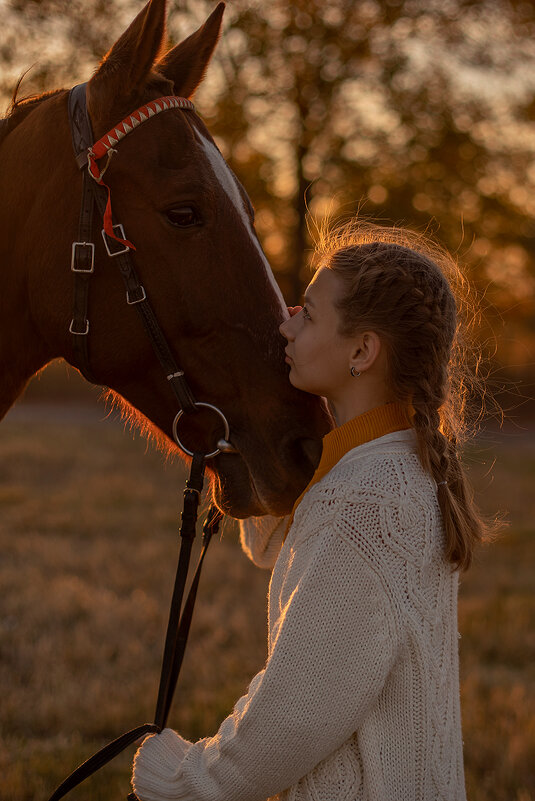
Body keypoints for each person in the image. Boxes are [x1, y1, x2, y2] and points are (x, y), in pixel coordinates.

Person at [131, 221, 495, 801]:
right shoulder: (393, 467)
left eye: (309, 315)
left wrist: (181, 781)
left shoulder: (365, 504)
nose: (286, 324)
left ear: (361, 351)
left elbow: (290, 721)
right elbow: (295, 546)